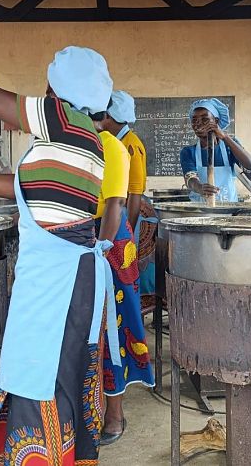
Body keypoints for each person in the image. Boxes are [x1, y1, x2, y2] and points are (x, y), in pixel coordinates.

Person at [0, 19, 119, 466]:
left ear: (54, 89)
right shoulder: (85, 138)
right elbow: (27, 186)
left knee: (40, 378)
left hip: (55, 283)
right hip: (71, 279)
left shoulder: (61, 116)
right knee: (60, 379)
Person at [90, 96, 154, 445]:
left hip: (109, 238)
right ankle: (88, 410)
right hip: (82, 235)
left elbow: (127, 199)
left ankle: (114, 414)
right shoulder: (75, 142)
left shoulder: (122, 146)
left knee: (115, 326)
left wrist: (114, 245)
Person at [102, 91, 158, 297]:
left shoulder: (131, 144)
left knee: (123, 267)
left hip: (126, 213)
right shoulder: (114, 141)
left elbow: (135, 193)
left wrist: (130, 233)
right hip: (117, 210)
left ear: (110, 116)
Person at [179, 98, 251, 202]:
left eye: (205, 119)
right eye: (194, 120)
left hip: (229, 209)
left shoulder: (230, 146)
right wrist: (200, 188)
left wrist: (225, 137)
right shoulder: (188, 152)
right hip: (200, 211)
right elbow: (190, 180)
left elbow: (250, 166)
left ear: (216, 121)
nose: (198, 124)